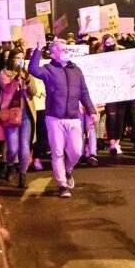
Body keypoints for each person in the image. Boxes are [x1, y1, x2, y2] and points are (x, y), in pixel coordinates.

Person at [28, 38, 97, 198]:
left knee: (76, 151)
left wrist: (91, 111)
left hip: (74, 117)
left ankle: (67, 170)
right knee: (57, 152)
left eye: (67, 49)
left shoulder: (76, 70)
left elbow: (84, 92)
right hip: (54, 118)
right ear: (53, 54)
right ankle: (62, 185)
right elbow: (32, 69)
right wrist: (38, 49)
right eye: (63, 49)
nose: (67, 51)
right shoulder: (48, 69)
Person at [0, 48, 37, 188]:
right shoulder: (4, 73)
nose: (20, 60)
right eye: (17, 57)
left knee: (24, 146)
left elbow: (33, 91)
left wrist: (26, 79)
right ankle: (10, 164)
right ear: (12, 59)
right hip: (11, 114)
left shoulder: (26, 73)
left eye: (22, 57)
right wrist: (16, 78)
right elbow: (7, 89)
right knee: (13, 148)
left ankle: (23, 174)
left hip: (26, 114)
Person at [98, 34, 128, 156]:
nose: (110, 44)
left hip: (122, 90)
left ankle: (117, 142)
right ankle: (111, 143)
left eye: (112, 42)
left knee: (120, 118)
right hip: (109, 90)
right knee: (111, 118)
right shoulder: (100, 56)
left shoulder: (121, 54)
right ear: (104, 44)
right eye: (107, 42)